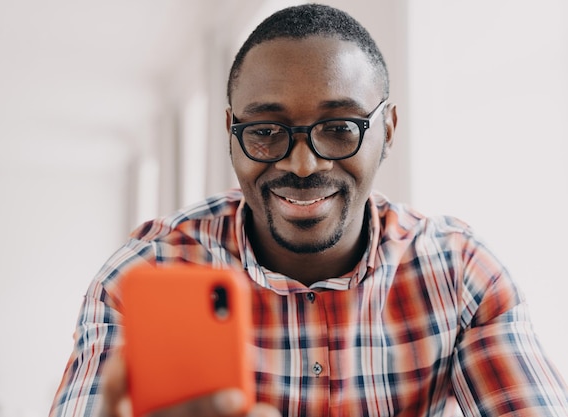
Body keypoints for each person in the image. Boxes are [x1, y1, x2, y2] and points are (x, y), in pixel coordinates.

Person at [49, 4, 568, 417]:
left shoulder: (458, 274)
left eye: (340, 127)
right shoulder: (141, 277)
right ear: (231, 134)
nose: (302, 165)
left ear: (386, 131)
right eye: (266, 131)